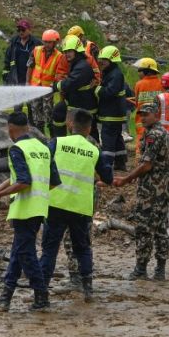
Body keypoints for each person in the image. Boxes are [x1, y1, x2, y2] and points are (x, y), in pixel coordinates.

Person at [0, 111, 61, 312]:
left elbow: (23, 181)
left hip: (24, 210)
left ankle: (41, 293)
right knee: (18, 252)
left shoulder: (16, 149)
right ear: (27, 127)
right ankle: (6, 297)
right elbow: (54, 181)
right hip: (40, 208)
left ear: (10, 129)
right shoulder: (43, 147)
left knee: (25, 253)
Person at [40, 109, 113, 301]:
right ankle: (88, 289)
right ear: (89, 129)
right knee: (83, 248)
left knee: (49, 249)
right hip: (81, 207)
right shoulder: (94, 150)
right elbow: (108, 177)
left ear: (70, 125)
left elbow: (42, 164)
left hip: (55, 204)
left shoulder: (57, 142)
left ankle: (42, 293)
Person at [113, 103, 169, 281]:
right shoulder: (165, 133)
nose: (143, 118)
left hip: (151, 191)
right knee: (161, 228)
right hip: (163, 189)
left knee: (144, 229)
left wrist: (126, 179)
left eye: (146, 114)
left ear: (156, 115)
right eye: (141, 115)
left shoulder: (154, 135)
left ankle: (141, 268)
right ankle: (160, 269)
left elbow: (146, 164)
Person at [50, 35, 97, 136]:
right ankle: (59, 141)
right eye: (65, 52)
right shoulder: (78, 64)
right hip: (79, 104)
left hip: (84, 107)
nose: (67, 54)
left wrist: (55, 87)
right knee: (58, 111)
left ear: (77, 51)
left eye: (70, 51)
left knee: (87, 136)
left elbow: (71, 82)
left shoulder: (82, 67)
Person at [95, 45, 129, 170]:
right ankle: (120, 162)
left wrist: (97, 88)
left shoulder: (115, 75)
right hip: (114, 113)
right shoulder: (111, 72)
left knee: (108, 137)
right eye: (100, 59)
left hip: (112, 114)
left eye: (104, 59)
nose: (101, 62)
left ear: (112, 60)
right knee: (117, 137)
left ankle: (107, 164)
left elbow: (110, 92)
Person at [26, 29, 62, 135]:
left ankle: (52, 138)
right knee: (37, 116)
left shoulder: (59, 56)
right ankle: (40, 137)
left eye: (49, 42)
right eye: (45, 41)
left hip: (48, 90)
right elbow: (30, 67)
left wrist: (54, 84)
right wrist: (27, 82)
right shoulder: (36, 50)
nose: (46, 44)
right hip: (35, 88)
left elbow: (59, 73)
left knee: (49, 116)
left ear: (55, 42)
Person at [130, 58, 163, 156]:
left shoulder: (139, 84)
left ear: (146, 71)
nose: (138, 73)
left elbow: (136, 102)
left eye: (139, 70)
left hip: (142, 120)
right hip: (157, 119)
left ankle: (139, 163)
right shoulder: (161, 83)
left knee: (141, 142)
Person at [3, 19, 38, 86]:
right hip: (15, 79)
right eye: (18, 30)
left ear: (29, 30)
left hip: (31, 78)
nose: (21, 32)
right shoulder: (13, 42)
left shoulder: (36, 43)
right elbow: (7, 61)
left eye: (23, 30)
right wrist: (6, 78)